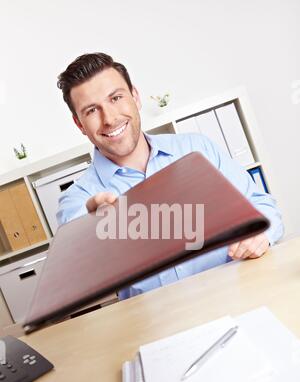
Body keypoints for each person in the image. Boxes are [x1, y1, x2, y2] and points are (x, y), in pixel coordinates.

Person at [56, 52, 284, 300]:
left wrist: (261, 235)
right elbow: (83, 273)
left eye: (116, 98)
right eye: (91, 110)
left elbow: (262, 205)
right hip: (158, 329)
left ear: (135, 96)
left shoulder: (197, 149)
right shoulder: (78, 199)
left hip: (238, 297)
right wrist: (96, 233)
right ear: (79, 124)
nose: (109, 118)